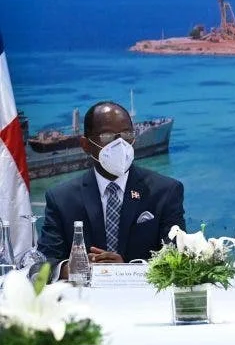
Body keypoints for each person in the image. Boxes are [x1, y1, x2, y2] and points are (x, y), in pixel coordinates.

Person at [39, 101, 185, 272]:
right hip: (83, 288)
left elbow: (177, 257)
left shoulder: (165, 191)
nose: (120, 144)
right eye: (107, 136)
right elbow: (43, 263)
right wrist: (74, 269)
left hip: (141, 289)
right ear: (86, 145)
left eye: (127, 134)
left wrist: (126, 270)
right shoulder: (61, 199)